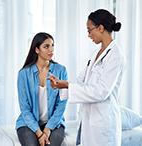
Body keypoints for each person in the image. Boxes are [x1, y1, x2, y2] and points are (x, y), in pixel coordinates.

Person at [47, 9, 126, 146]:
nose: (89, 35)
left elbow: (101, 91)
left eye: (89, 30)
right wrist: (62, 84)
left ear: (100, 28)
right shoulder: (96, 53)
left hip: (103, 123)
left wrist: (67, 86)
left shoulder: (116, 56)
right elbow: (81, 80)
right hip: (89, 121)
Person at [15, 32, 68, 146]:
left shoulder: (61, 71)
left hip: (54, 123)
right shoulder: (24, 74)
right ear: (36, 50)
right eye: (46, 46)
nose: (51, 49)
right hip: (28, 124)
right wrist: (39, 133)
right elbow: (25, 108)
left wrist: (48, 128)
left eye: (52, 45)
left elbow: (62, 104)